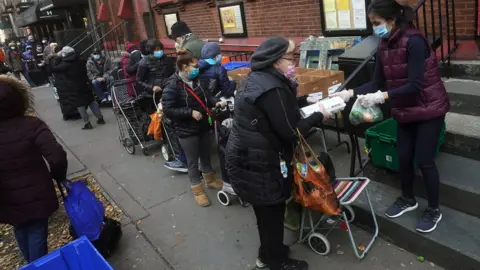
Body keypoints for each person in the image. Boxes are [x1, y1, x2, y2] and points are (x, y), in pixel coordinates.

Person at [332, 0, 450, 233]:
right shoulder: (384, 44)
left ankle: (434, 209)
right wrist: (348, 93)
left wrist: (381, 97)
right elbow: (376, 82)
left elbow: (415, 85)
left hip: (429, 109)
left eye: (376, 23)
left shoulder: (415, 41)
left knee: (424, 161)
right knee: (404, 157)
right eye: (372, 24)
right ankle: (408, 198)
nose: (374, 28)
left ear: (392, 20)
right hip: (405, 109)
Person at [225, 37, 330, 270]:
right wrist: (319, 115)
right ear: (275, 61)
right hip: (260, 161)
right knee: (271, 211)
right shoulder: (272, 87)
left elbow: (276, 111)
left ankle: (269, 252)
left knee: (265, 211)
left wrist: (303, 100)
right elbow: (290, 131)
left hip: (248, 156)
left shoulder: (258, 78)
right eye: (290, 57)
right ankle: (276, 261)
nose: (293, 61)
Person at [0, 75, 68, 263]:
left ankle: (31, 264)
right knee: (37, 230)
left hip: (6, 196)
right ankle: (38, 265)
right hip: (37, 191)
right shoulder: (32, 125)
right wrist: (58, 175)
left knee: (20, 227)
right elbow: (56, 155)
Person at [162, 49, 226, 206]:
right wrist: (189, 112)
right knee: (192, 161)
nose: (197, 69)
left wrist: (215, 101)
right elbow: (168, 109)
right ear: (184, 67)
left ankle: (210, 180)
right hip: (186, 130)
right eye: (194, 66)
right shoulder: (172, 85)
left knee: (205, 155)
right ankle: (198, 190)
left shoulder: (199, 79)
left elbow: (207, 96)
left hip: (204, 124)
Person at [52, 46, 105, 129]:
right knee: (91, 101)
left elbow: (53, 69)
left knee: (80, 105)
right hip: (85, 84)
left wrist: (57, 57)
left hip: (74, 87)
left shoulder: (65, 65)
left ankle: (87, 123)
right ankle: (100, 118)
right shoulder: (81, 61)